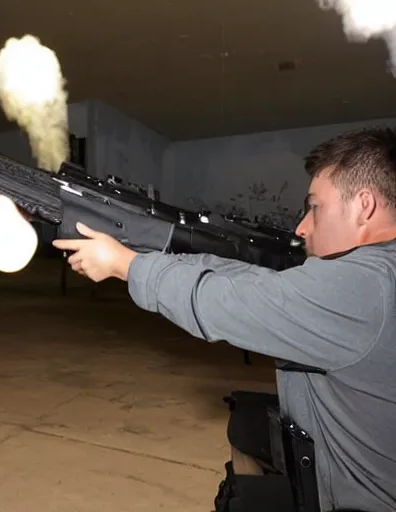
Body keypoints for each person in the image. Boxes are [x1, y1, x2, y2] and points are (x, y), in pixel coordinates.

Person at [52, 127, 396, 512]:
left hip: (363, 499)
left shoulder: (363, 287)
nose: (301, 226)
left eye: (314, 207)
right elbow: (263, 283)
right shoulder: (380, 271)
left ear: (364, 205)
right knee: (248, 420)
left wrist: (125, 266)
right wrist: (164, 255)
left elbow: (227, 303)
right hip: (342, 460)